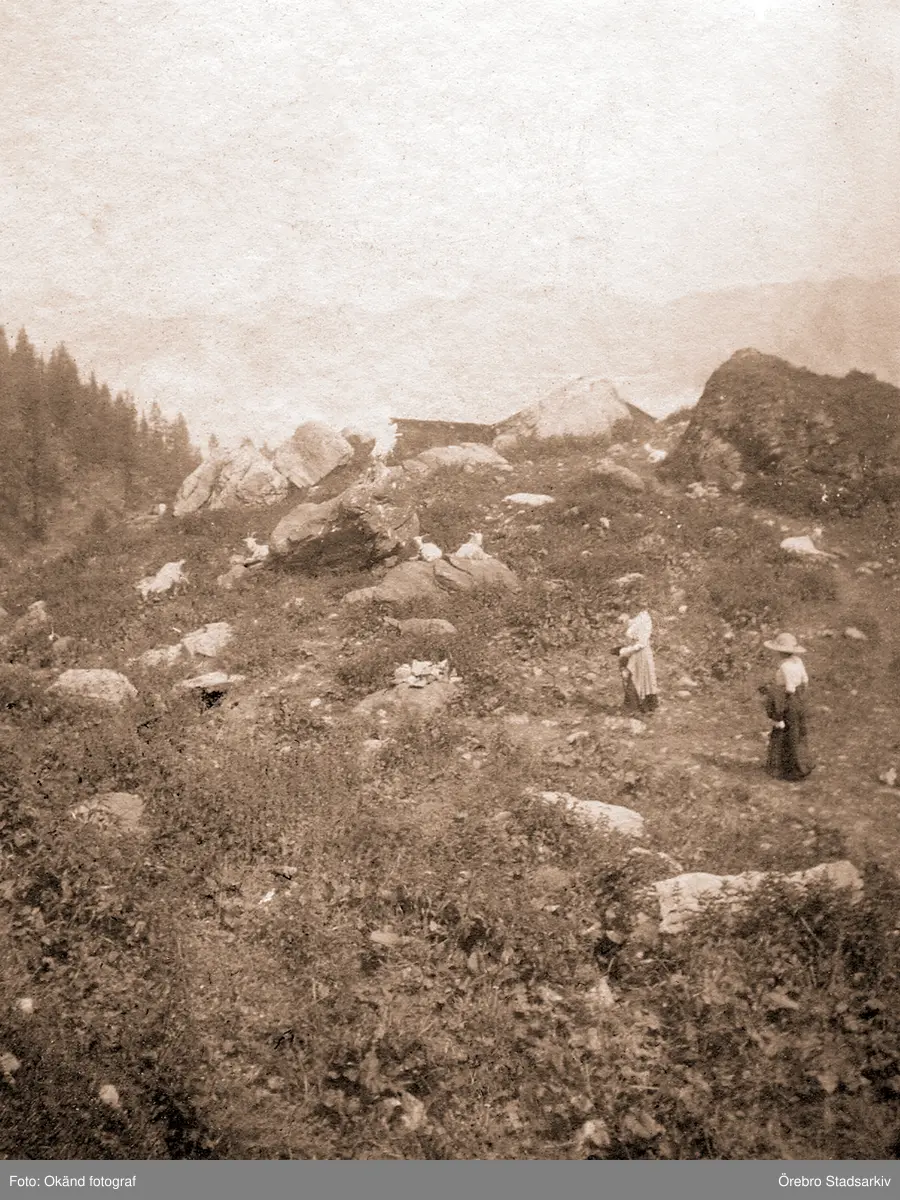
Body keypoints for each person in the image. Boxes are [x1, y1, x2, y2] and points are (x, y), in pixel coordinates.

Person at [759, 632, 813, 781]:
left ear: (780, 651)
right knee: (797, 731)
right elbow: (805, 680)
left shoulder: (784, 666)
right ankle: (801, 765)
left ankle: (787, 769)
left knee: (784, 731)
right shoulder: (798, 661)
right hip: (799, 698)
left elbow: (789, 687)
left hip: (788, 697)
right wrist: (801, 696)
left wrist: (782, 704)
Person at [615, 608, 659, 714]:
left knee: (639, 678)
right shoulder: (635, 619)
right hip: (634, 652)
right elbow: (631, 630)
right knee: (631, 677)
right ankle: (634, 705)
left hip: (641, 654)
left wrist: (623, 651)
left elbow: (641, 643)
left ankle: (640, 706)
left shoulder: (644, 618)